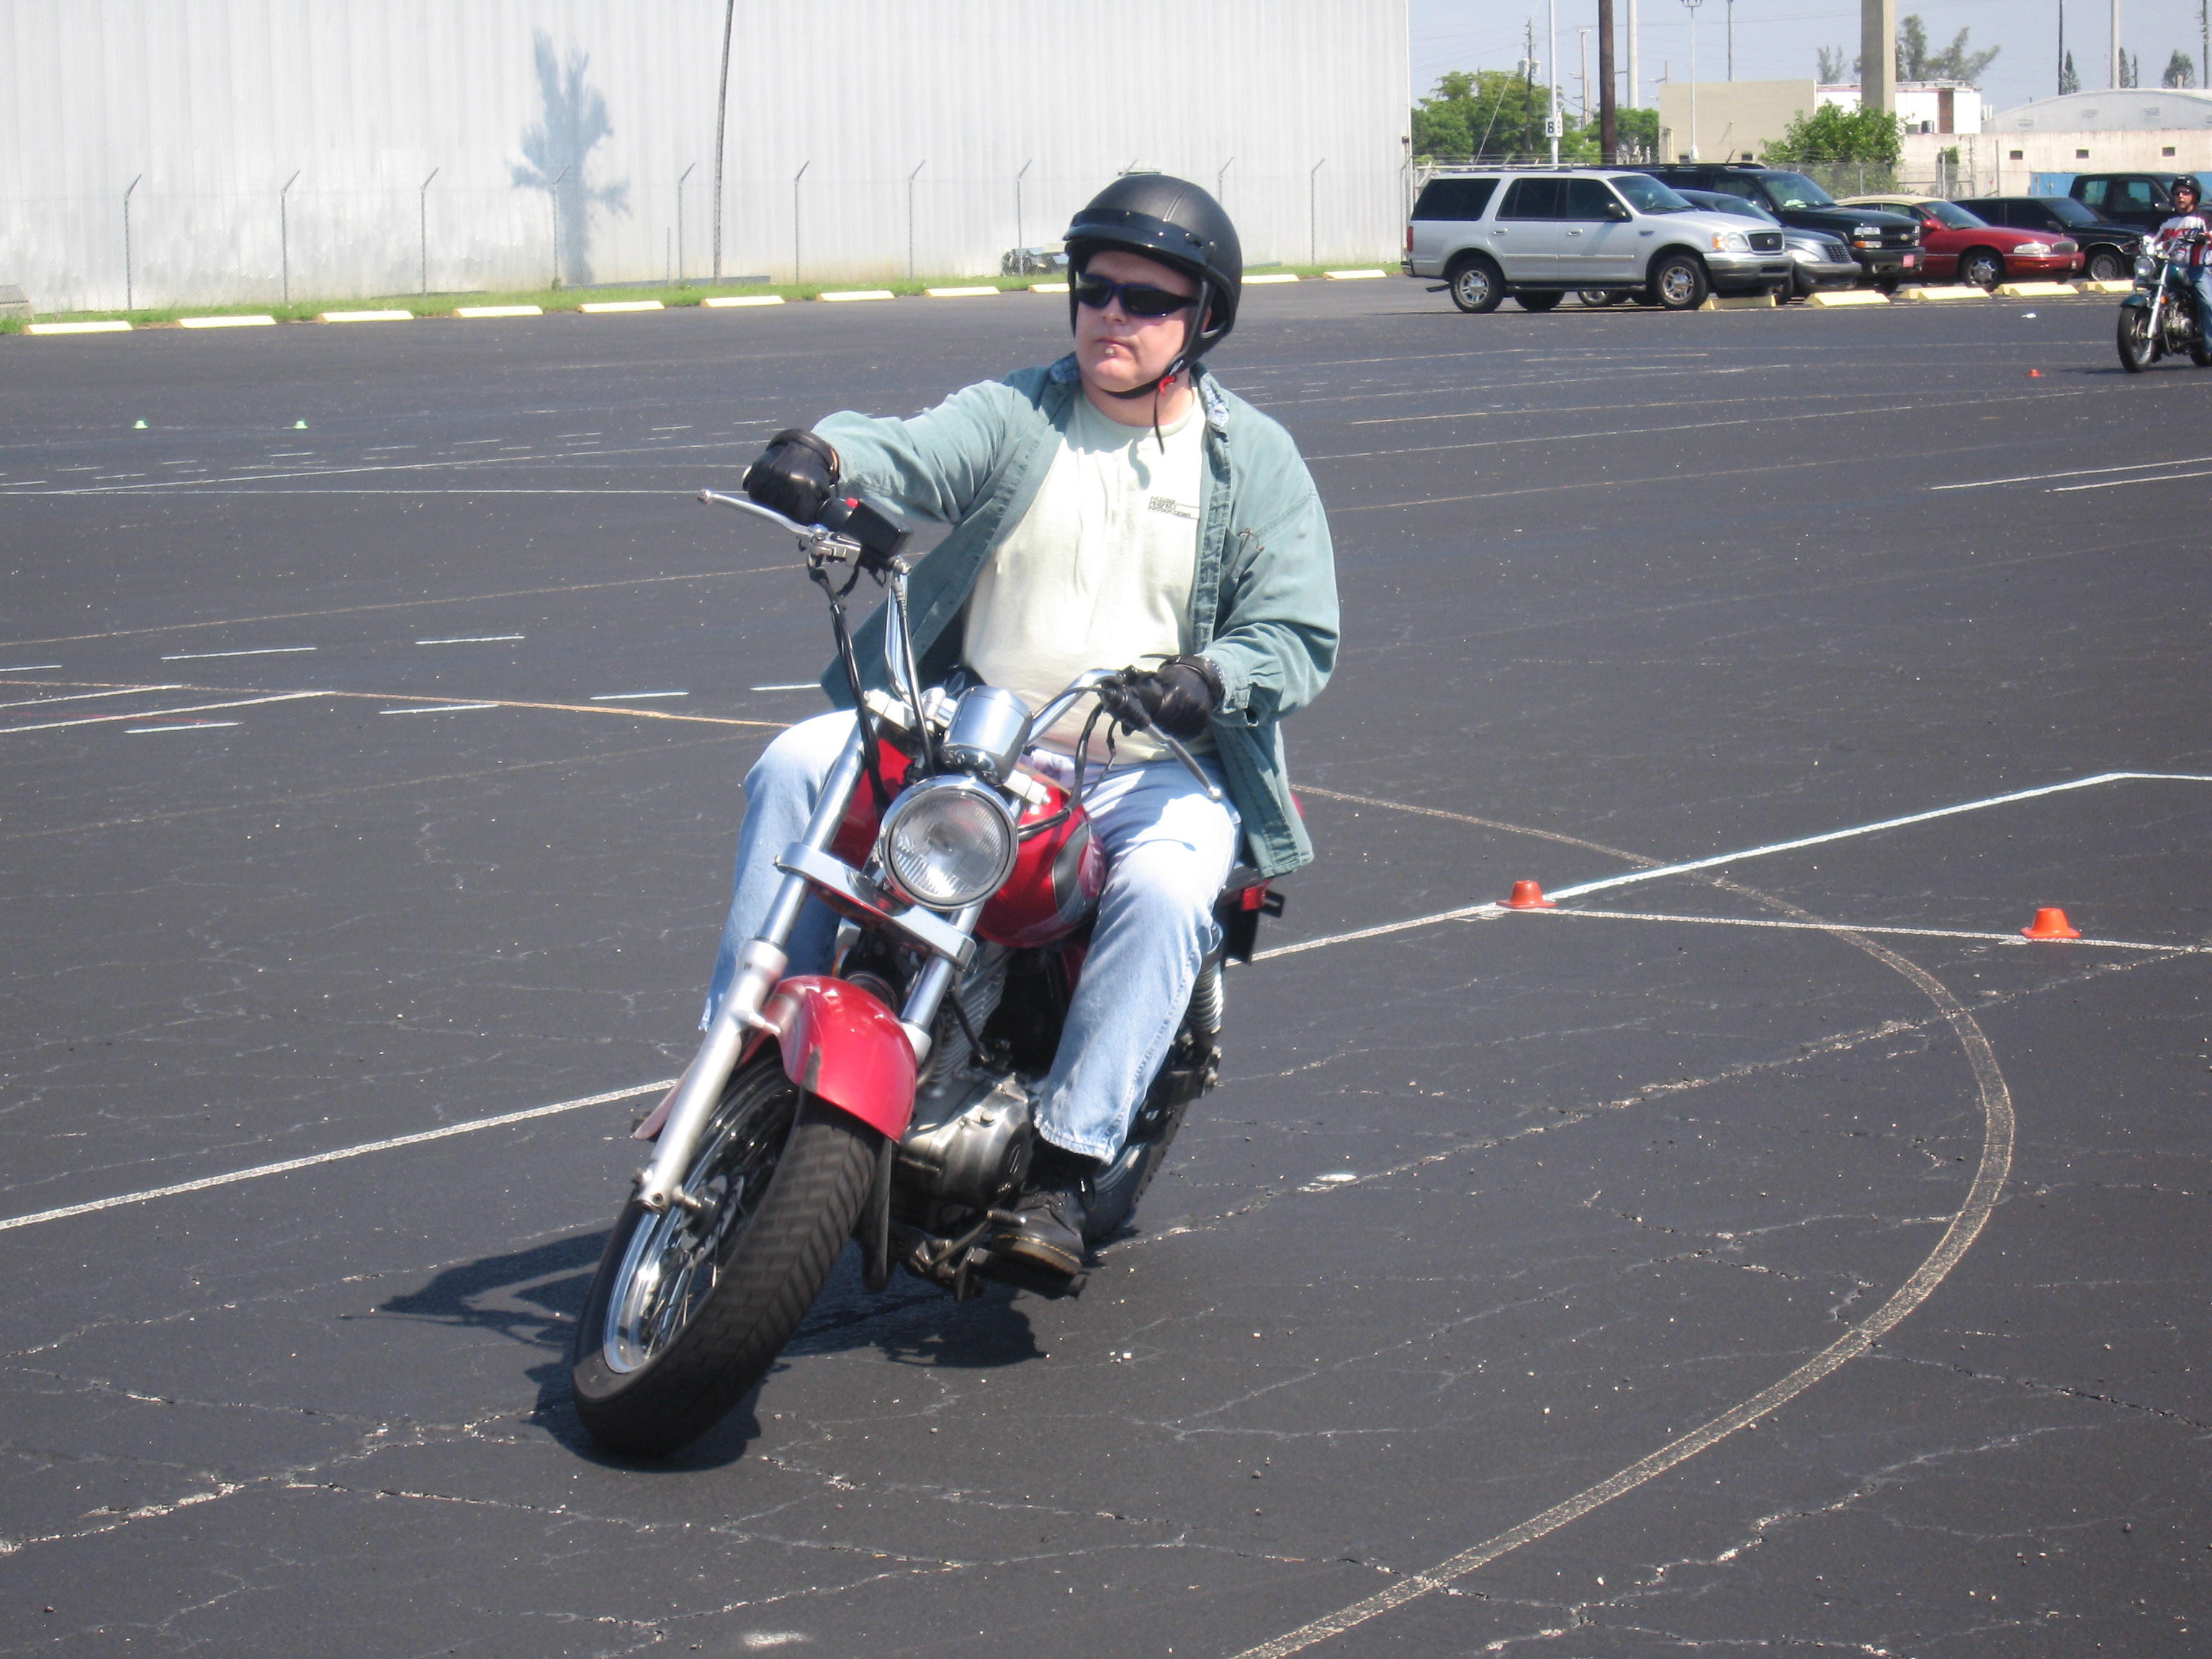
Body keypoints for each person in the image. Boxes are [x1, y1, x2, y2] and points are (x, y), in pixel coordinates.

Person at [709, 174, 1339, 1280]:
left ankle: (1065, 1166)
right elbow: (913, 449)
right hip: (984, 722)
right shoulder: (1023, 414)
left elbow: (1296, 629)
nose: (1112, 315)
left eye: (1148, 300)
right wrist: (828, 455)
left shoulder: (1254, 462)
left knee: (1169, 890)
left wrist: (1213, 676)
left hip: (1151, 759)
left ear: (1203, 320)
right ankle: (746, 1054)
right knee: (797, 761)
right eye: (1095, 290)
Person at [2150, 174, 2212, 323]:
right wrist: (2139, 244)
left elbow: (2210, 233)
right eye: (2177, 193)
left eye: (2185, 193)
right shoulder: (2166, 220)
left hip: (2196, 269)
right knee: (2152, 293)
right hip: (2169, 268)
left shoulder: (2204, 218)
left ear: (2194, 196)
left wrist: (2205, 237)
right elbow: (2150, 238)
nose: (2180, 197)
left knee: (2208, 304)